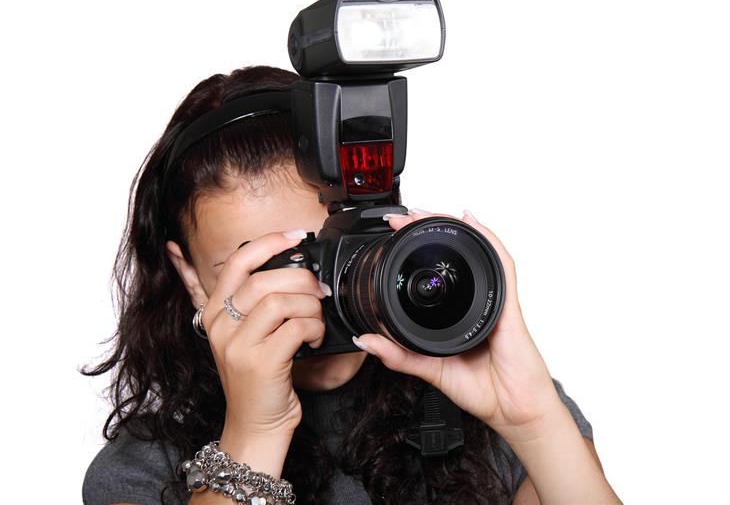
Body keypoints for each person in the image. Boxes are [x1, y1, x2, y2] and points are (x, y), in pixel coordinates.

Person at [81, 65, 621, 505]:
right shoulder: (144, 467)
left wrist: (533, 421)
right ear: (192, 278)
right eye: (264, 266)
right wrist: (254, 434)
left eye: (329, 250)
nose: (310, 291)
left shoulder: (485, 401)